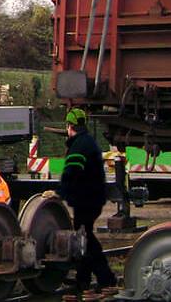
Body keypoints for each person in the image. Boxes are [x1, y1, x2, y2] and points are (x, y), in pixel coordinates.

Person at [58, 107, 117, 290]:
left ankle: (105, 277)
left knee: (86, 238)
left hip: (86, 199)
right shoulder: (87, 141)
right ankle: (83, 279)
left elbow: (72, 172)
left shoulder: (79, 146)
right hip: (92, 198)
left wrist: (58, 192)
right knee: (83, 236)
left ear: (70, 126)